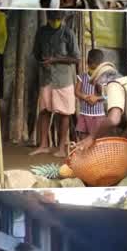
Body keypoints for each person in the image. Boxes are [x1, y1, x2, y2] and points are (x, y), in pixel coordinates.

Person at [31, 11, 81, 158]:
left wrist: (55, 60)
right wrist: (43, 61)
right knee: (44, 111)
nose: (55, 21)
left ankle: (61, 148)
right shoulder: (41, 32)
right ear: (47, 17)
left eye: (58, 19)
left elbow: (76, 58)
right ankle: (43, 145)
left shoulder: (68, 33)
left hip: (63, 80)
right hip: (46, 78)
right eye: (53, 19)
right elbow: (36, 53)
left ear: (63, 19)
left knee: (64, 114)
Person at [74, 49, 106, 140]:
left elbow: (107, 96)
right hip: (84, 113)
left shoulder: (103, 79)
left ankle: (94, 154)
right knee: (83, 136)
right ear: (87, 64)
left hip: (98, 115)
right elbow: (76, 92)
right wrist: (85, 97)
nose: (93, 70)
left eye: (96, 69)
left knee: (96, 137)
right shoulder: (82, 77)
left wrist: (97, 98)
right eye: (91, 68)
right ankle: (85, 153)